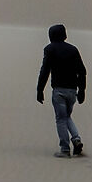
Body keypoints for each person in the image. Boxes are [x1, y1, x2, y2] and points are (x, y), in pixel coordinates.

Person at [36, 23, 87, 156]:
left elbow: (45, 70)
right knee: (66, 116)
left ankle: (65, 148)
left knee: (60, 119)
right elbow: (82, 71)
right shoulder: (73, 50)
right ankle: (76, 139)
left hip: (59, 91)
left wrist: (40, 89)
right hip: (72, 91)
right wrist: (82, 90)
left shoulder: (49, 49)